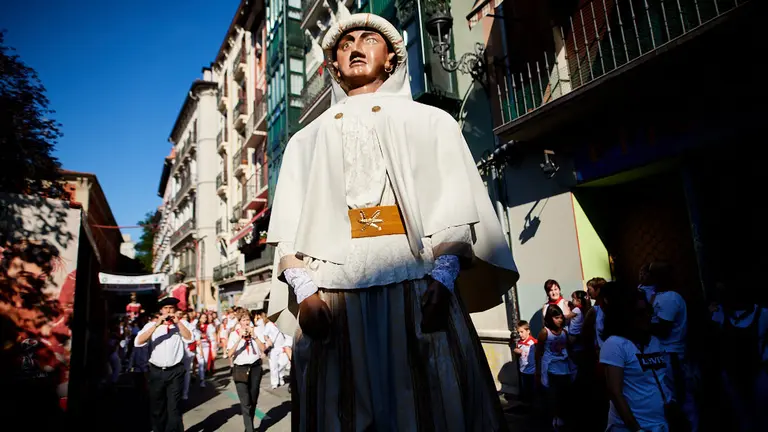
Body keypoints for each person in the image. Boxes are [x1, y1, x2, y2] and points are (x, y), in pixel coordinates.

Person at [266, 12, 518, 431]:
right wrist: (305, 291)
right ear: (334, 66)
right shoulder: (304, 140)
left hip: (418, 282)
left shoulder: (432, 121)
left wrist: (443, 276)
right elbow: (289, 230)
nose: (355, 47)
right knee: (339, 405)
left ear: (391, 57)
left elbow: (453, 207)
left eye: (368, 39)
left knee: (432, 401)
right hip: (333, 293)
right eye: (344, 45)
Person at [600, 283, 672, 432]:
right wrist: (636, 429)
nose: (647, 317)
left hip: (660, 424)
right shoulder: (615, 344)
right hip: (632, 427)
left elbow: (660, 379)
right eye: (640, 313)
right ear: (627, 315)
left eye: (648, 311)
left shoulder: (653, 341)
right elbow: (615, 391)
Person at [134, 297, 193, 432]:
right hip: (156, 371)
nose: (168, 311)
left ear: (176, 310)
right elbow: (138, 342)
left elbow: (189, 338)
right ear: (161, 311)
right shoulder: (151, 325)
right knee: (157, 407)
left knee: (174, 408)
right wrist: (156, 325)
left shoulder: (182, 325)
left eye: (171, 308)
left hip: (175, 370)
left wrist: (178, 323)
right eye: (166, 309)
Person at [228, 310, 267, 432]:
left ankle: (248, 426)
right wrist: (240, 339)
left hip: (255, 367)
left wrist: (254, 336)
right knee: (245, 402)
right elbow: (229, 353)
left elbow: (263, 348)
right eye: (243, 320)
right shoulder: (234, 334)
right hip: (240, 368)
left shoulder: (256, 331)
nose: (246, 322)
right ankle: (249, 429)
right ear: (239, 322)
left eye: (247, 320)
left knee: (253, 399)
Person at [535, 305, 573, 431]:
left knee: (564, 396)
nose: (560, 320)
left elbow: (569, 349)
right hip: (551, 370)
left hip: (564, 369)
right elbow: (538, 352)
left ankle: (563, 418)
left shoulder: (564, 333)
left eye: (561, 318)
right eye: (556, 318)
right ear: (550, 319)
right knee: (553, 397)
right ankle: (554, 420)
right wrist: (538, 371)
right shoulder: (544, 333)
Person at [513, 320, 537, 405]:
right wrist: (516, 350)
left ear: (528, 331)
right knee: (526, 390)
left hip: (532, 371)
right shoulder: (520, 342)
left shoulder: (533, 343)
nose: (520, 334)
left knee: (533, 391)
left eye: (522, 332)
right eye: (518, 332)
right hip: (523, 370)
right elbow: (517, 350)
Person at [176, 310, 195, 399]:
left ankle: (185, 393)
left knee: (186, 372)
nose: (179, 315)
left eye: (180, 314)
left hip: (186, 352)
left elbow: (192, 337)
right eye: (177, 313)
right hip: (174, 353)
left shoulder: (184, 323)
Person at [195, 313, 217, 386]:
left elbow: (213, 337)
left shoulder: (209, 326)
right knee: (201, 363)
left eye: (205, 318)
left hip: (206, 346)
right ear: (199, 318)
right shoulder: (195, 325)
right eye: (203, 317)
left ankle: (202, 374)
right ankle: (202, 380)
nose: (204, 319)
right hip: (198, 346)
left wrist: (214, 348)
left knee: (205, 363)